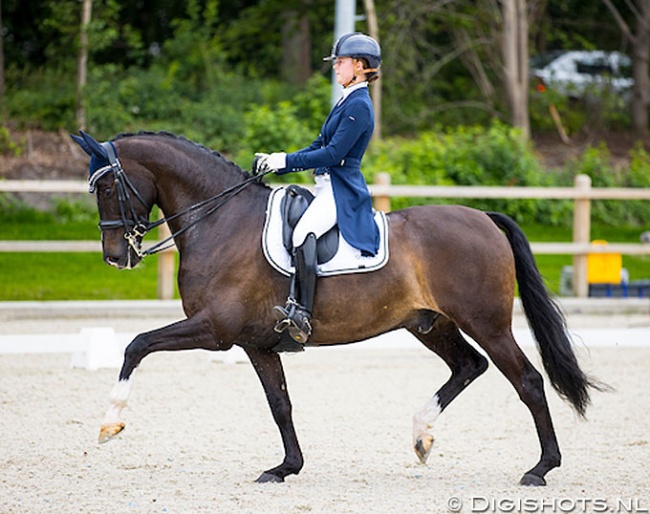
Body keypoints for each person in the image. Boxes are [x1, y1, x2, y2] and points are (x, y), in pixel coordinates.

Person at [254, 32, 381, 346]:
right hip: (324, 184)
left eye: (341, 62)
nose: (336, 68)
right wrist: (278, 159)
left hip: (340, 189)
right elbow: (319, 144)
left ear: (361, 65)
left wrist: (284, 161)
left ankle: (302, 312)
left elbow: (333, 154)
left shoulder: (360, 105)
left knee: (302, 233)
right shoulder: (347, 99)